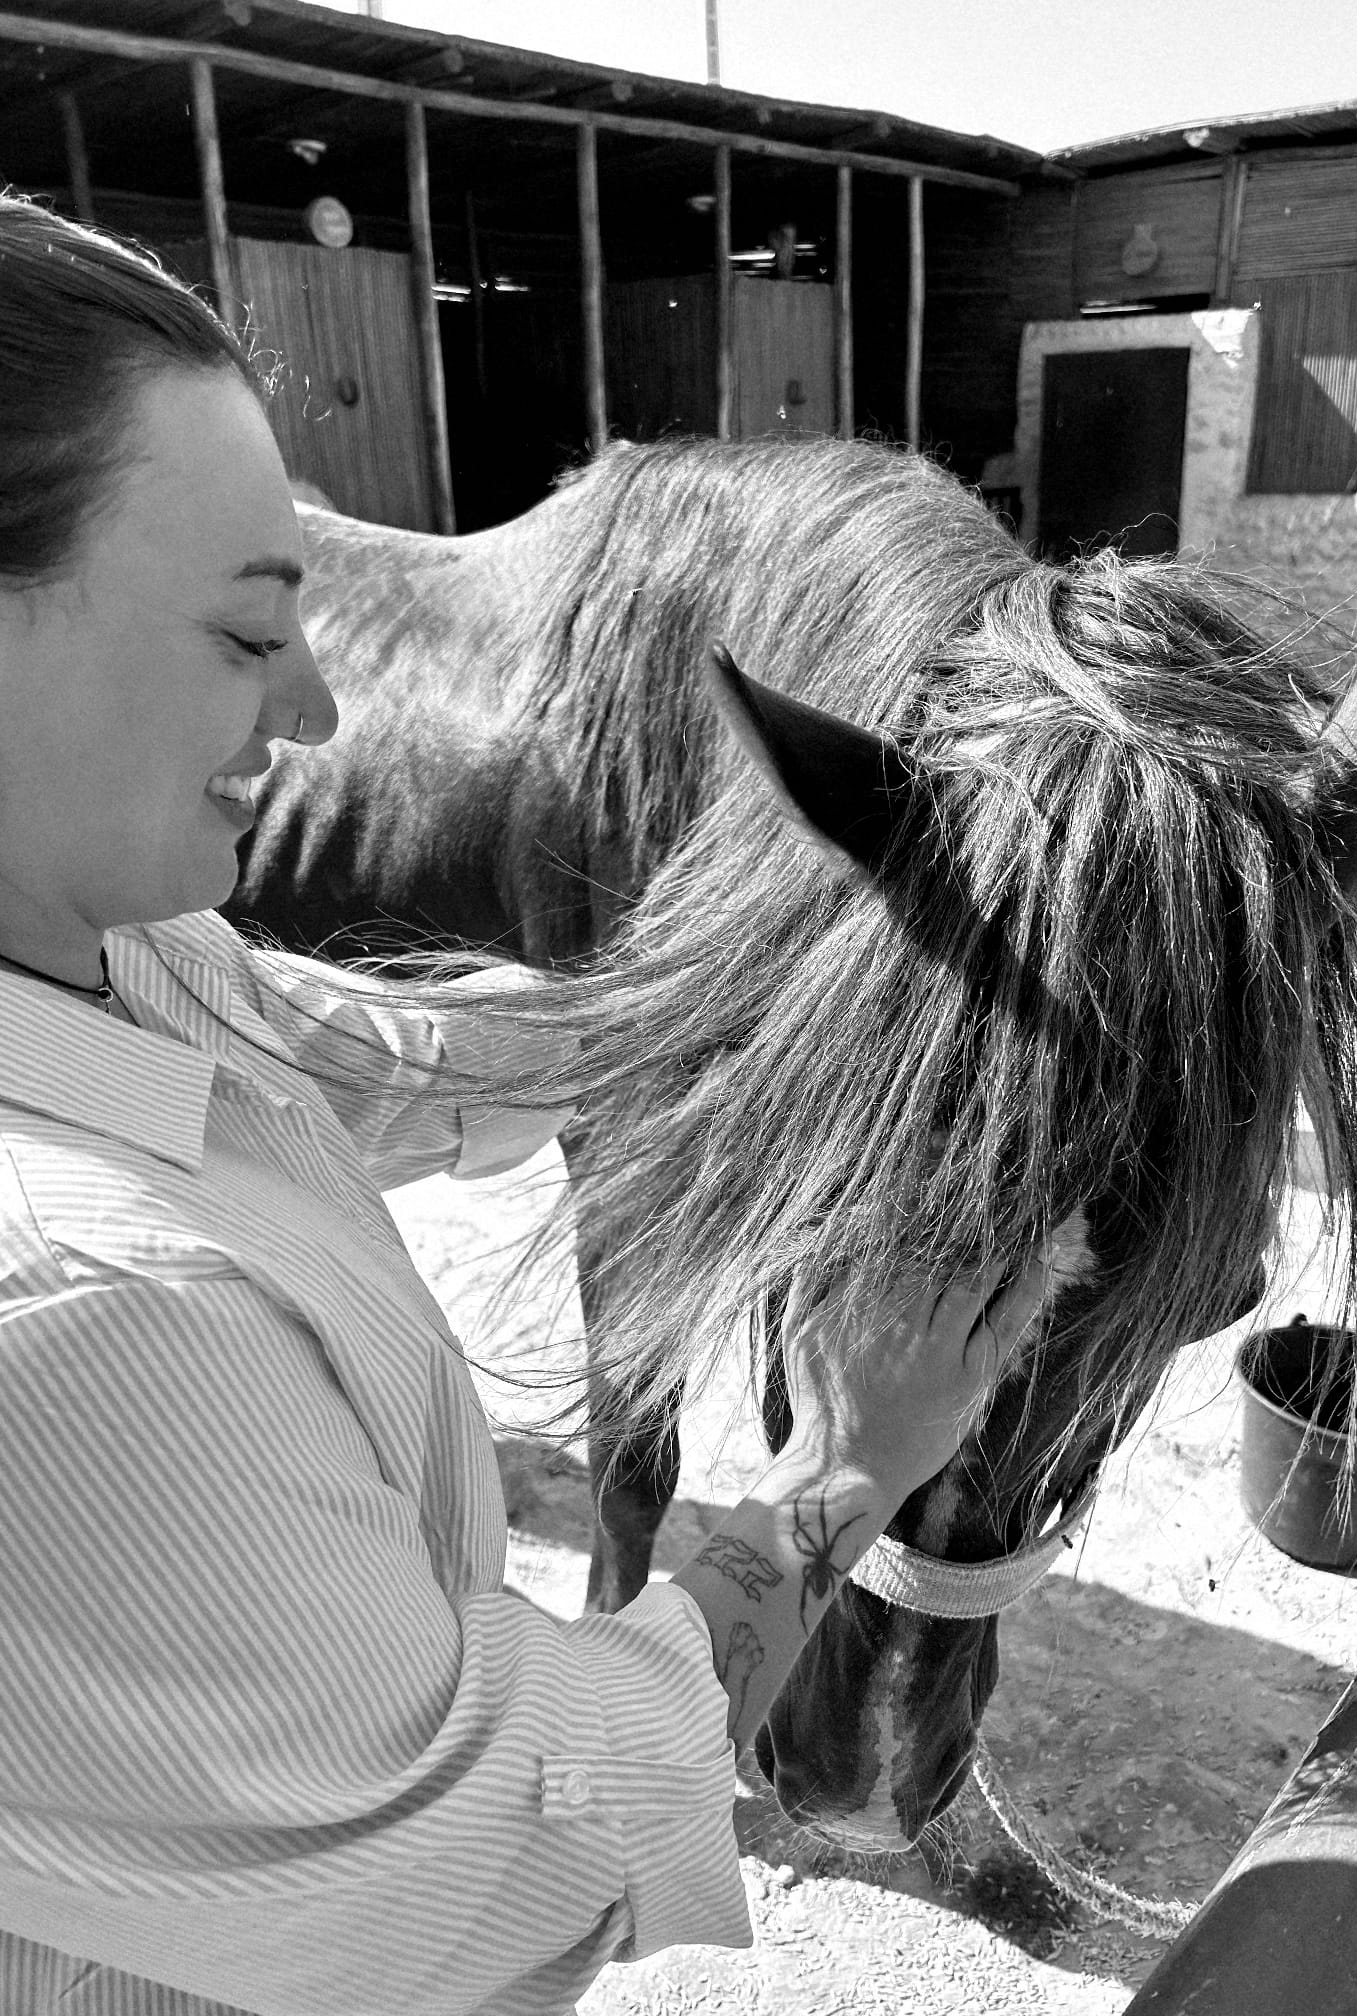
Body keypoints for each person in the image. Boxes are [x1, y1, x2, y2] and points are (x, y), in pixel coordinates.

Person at [0, 193, 1036, 2016]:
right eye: (250, 638)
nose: (320, 706)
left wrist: (750, 1016)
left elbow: (347, 1048)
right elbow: (509, 1870)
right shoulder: (87, 1326)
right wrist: (843, 1468)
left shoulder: (111, 940)